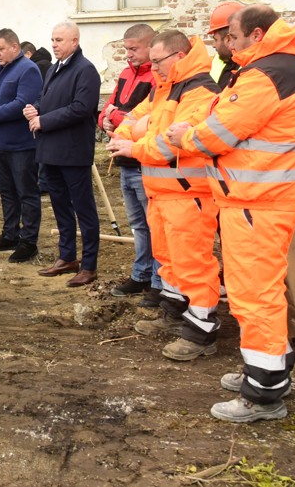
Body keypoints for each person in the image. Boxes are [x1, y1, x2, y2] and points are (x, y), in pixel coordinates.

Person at [167, 5, 295, 423]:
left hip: (257, 203)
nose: (227, 44)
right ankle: (270, 370)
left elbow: (221, 130)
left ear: (254, 33)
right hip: (256, 202)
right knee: (258, 291)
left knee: (255, 296)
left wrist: (187, 136)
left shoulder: (265, 76)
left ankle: (263, 394)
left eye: (232, 36)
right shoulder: (272, 69)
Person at [108, 29, 222, 361]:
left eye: (158, 62)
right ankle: (174, 310)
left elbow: (171, 141)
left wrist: (135, 144)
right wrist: (136, 132)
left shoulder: (201, 92)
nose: (153, 68)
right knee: (169, 260)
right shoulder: (166, 89)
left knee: (194, 264)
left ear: (180, 57)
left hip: (189, 194)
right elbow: (132, 119)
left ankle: (202, 331)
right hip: (163, 193)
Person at [24, 21, 101, 285]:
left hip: (73, 151)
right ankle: (67, 256)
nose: (54, 44)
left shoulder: (86, 70)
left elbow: (81, 108)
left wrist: (44, 121)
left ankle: (89, 265)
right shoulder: (55, 69)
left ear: (74, 42)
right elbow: (45, 99)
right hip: (50, 151)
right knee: (60, 207)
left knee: (84, 209)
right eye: (53, 39)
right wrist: (34, 108)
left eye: (59, 40)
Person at [0, 28, 43, 263]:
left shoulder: (28, 69)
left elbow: (22, 104)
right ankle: (10, 234)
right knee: (7, 192)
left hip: (21, 145)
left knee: (27, 193)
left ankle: (28, 241)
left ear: (15, 47)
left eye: (1, 49)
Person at [100, 23, 159, 303]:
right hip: (125, 160)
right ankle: (141, 274)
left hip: (144, 162)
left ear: (150, 46)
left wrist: (117, 118)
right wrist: (108, 120)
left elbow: (149, 122)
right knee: (137, 223)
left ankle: (158, 281)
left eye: (133, 49)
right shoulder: (125, 74)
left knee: (153, 224)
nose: (128, 55)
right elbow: (106, 113)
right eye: (126, 49)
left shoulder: (157, 78)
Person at [207, 0, 244, 90]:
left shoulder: (253, 69)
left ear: (229, 39)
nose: (213, 45)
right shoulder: (216, 61)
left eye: (215, 40)